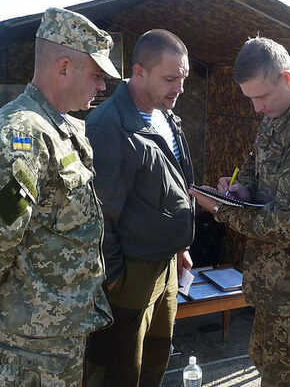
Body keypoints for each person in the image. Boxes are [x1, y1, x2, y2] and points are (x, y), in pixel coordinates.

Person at [0, 7, 121, 387]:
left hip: (57, 327)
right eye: (96, 75)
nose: (102, 86)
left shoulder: (57, 127)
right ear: (64, 68)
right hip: (33, 340)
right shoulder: (22, 136)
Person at [189, 36, 290, 387]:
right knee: (267, 362)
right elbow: (255, 160)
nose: (256, 109)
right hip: (273, 279)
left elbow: (285, 223)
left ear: (286, 78)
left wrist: (219, 208)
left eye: (260, 97)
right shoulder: (279, 111)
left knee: (288, 376)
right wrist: (242, 187)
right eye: (250, 99)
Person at [83, 29, 195, 387]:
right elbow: (97, 211)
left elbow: (172, 188)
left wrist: (180, 246)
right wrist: (114, 276)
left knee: (155, 359)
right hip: (130, 274)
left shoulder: (165, 115)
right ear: (139, 72)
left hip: (166, 266)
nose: (179, 88)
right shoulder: (109, 126)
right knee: (119, 368)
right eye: (170, 79)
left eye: (183, 78)